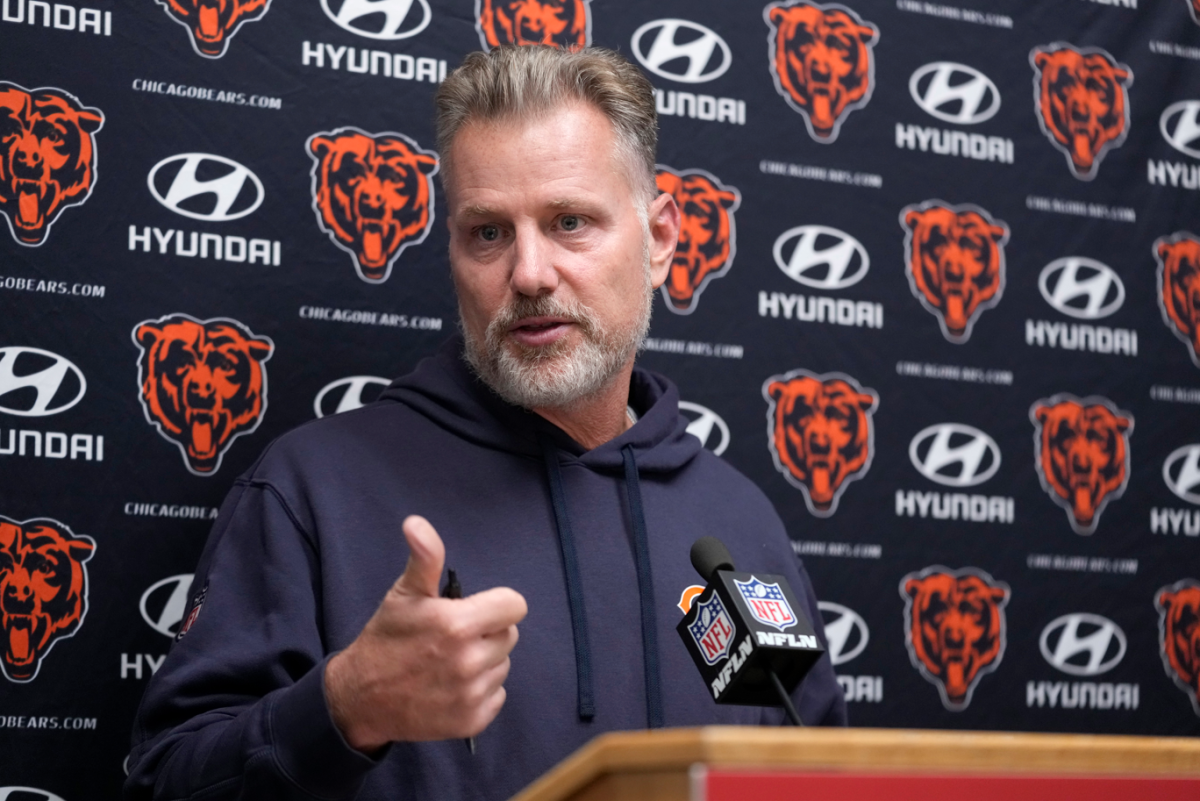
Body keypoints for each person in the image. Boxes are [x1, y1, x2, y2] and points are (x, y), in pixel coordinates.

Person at [124, 45, 847, 801]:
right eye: (489, 233)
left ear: (661, 238)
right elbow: (164, 781)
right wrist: (342, 709)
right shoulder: (311, 492)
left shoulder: (737, 524)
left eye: (570, 222)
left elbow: (824, 779)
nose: (529, 274)